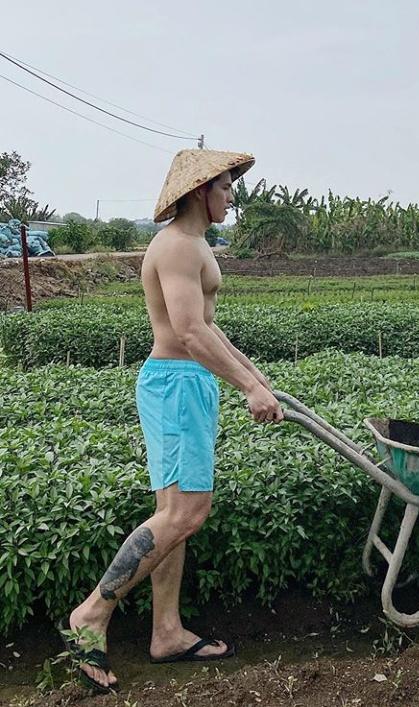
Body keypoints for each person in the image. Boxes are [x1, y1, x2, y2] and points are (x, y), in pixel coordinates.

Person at [62, 149, 284, 692]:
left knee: (173, 515)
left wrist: (257, 380)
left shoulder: (196, 245)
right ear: (199, 191)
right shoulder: (178, 248)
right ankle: (90, 613)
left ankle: (166, 632)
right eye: (227, 187)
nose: (233, 195)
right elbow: (187, 331)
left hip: (184, 385)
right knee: (188, 512)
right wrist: (249, 387)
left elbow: (209, 327)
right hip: (176, 385)